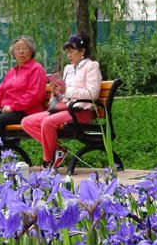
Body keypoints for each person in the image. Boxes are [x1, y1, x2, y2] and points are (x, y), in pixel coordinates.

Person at [21, 33, 102, 170]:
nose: (69, 55)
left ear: (82, 51)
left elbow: (92, 93)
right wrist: (57, 92)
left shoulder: (91, 66)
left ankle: (48, 160)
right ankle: (58, 150)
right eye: (67, 52)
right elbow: (64, 94)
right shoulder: (68, 69)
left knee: (47, 122)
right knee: (27, 122)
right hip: (64, 109)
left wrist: (66, 90)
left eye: (72, 52)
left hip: (80, 111)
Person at [0, 36, 47, 173]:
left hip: (27, 112)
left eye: (25, 48)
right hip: (9, 111)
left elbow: (35, 95)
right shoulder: (12, 72)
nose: (21, 52)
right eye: (18, 49)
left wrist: (14, 106)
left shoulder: (36, 69)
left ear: (31, 51)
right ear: (13, 53)